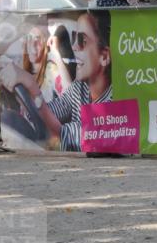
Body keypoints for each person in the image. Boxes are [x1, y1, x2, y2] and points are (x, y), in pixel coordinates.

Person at [14, 11, 113, 151]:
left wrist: (32, 88)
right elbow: (50, 111)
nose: (74, 46)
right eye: (74, 38)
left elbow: (63, 135)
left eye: (82, 41)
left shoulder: (114, 100)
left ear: (104, 57)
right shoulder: (80, 88)